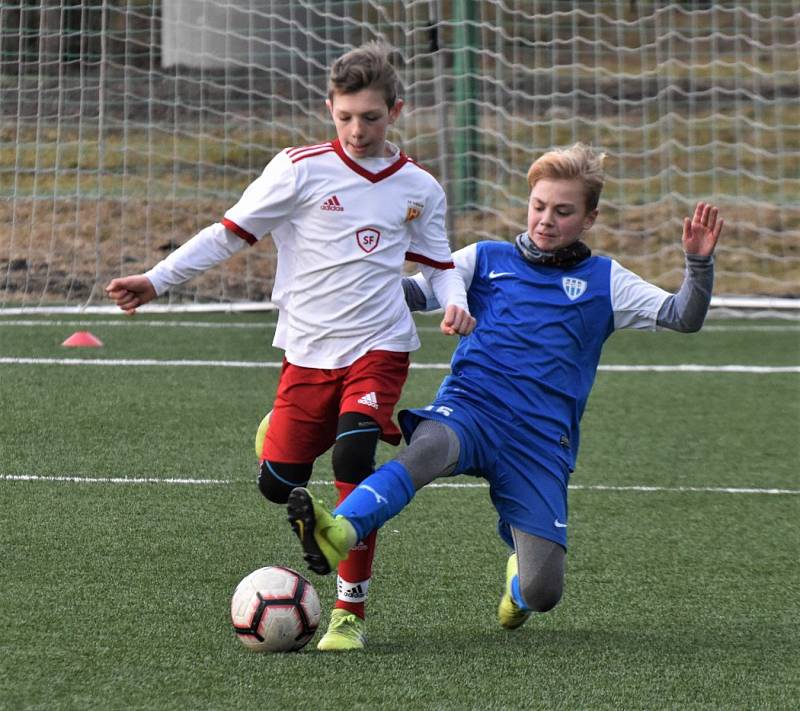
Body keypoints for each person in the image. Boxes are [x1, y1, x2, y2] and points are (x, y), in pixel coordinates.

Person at [105, 42, 475, 651]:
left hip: (379, 344)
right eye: (346, 116)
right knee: (278, 484)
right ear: (329, 108)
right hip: (306, 350)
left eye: (372, 117)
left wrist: (453, 297)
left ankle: (349, 610)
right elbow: (227, 235)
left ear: (397, 111)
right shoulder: (299, 169)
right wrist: (155, 280)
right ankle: (282, 434)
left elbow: (438, 264)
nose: (358, 129)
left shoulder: (419, 187)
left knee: (355, 461)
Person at [285, 142, 724, 636]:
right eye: (539, 206)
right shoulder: (485, 260)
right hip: (470, 411)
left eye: (563, 211)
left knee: (543, 592)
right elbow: (413, 291)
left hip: (539, 444)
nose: (545, 220)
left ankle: (517, 580)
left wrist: (698, 265)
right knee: (426, 450)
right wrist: (357, 276)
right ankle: (338, 529)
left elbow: (683, 317)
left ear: (589, 218)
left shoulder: (605, 281)